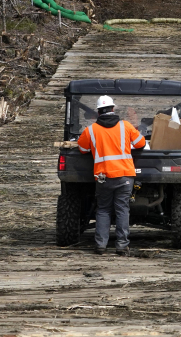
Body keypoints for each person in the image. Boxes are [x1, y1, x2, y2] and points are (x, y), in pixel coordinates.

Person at [76, 95, 146, 255]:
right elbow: (141, 143)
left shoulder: (91, 130)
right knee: (122, 209)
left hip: (103, 177)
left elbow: (82, 149)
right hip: (124, 176)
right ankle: (122, 246)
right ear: (113, 109)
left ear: (98, 112)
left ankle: (101, 245)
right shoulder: (125, 126)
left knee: (103, 209)